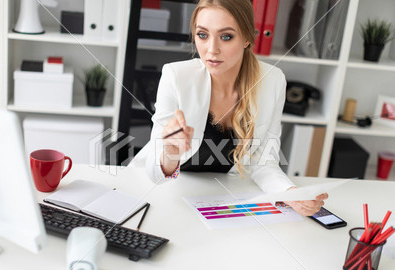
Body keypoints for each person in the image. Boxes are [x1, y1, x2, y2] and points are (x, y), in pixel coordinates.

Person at [130, 0, 327, 216]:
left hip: (223, 199)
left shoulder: (272, 81)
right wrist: (170, 154)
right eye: (202, 35)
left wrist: (290, 193)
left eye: (226, 36)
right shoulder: (176, 76)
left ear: (246, 38)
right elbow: (154, 174)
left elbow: (264, 163)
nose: (211, 49)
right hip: (166, 194)